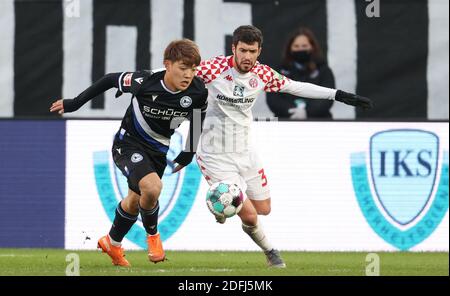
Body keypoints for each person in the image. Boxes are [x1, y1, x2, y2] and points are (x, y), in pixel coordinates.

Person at [194, 25, 372, 268]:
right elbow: (172, 72)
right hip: (215, 155)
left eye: (252, 51)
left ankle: (222, 206)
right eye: (243, 50)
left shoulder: (263, 74)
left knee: (263, 209)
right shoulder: (213, 68)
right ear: (233, 48)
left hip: (245, 151)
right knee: (249, 215)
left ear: (259, 51)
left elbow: (295, 86)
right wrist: (128, 80)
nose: (247, 57)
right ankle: (271, 253)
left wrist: (337, 95)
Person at [50, 39, 208, 267]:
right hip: (128, 144)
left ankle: (112, 243)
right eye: (183, 68)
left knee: (135, 200)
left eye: (193, 69)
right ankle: (153, 237)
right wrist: (74, 103)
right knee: (152, 187)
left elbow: (197, 116)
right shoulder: (145, 81)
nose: (188, 75)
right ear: (167, 65)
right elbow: (109, 80)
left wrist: (189, 151)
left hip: (158, 150)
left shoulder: (197, 91)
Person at [266, 27, 335, 119]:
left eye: (304, 46)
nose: (300, 49)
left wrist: (307, 112)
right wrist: (290, 111)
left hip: (319, 122)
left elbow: (328, 97)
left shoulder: (324, 71)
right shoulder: (278, 71)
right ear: (290, 48)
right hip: (286, 122)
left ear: (312, 47)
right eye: (296, 46)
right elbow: (273, 99)